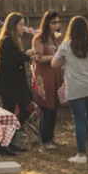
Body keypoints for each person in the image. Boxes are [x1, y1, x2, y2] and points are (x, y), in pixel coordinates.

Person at [52, 15, 88, 164]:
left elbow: (54, 64)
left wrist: (65, 59)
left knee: (79, 119)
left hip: (75, 87)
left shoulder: (66, 46)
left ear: (71, 29)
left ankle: (81, 155)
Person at [0, 13, 37, 155]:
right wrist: (25, 56)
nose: (24, 28)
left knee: (26, 109)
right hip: (8, 85)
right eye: (21, 25)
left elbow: (17, 60)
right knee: (9, 115)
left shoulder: (14, 40)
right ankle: (2, 147)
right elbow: (9, 63)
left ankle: (9, 142)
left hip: (16, 84)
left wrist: (28, 57)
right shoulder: (7, 41)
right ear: (13, 25)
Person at [32, 11, 63, 150]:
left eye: (58, 22)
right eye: (53, 23)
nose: (57, 25)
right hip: (44, 76)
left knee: (54, 108)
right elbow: (38, 58)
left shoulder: (55, 38)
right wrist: (56, 56)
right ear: (47, 23)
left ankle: (50, 139)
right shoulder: (39, 38)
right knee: (46, 109)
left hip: (56, 75)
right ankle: (44, 141)